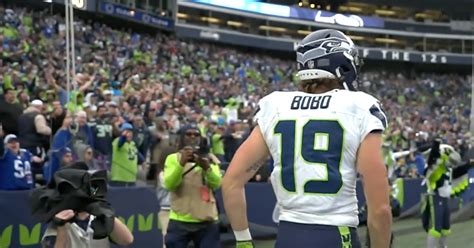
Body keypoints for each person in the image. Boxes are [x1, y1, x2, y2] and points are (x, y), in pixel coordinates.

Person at [222, 29, 392, 248]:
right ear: (342, 63)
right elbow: (380, 209)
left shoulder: (275, 106)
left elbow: (231, 183)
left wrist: (244, 242)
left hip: (287, 237)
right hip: (336, 236)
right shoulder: (359, 106)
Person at [163, 125, 222, 248]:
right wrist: (181, 164)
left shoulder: (209, 158)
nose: (192, 137)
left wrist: (207, 168)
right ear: (181, 138)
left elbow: (216, 184)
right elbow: (170, 185)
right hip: (180, 218)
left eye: (196, 135)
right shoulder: (173, 158)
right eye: (188, 134)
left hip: (206, 218)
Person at [421, 142, 461, 248]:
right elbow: (428, 172)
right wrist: (436, 146)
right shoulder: (434, 166)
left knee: (446, 227)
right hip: (435, 196)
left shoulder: (447, 168)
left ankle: (442, 246)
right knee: (436, 227)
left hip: (445, 198)